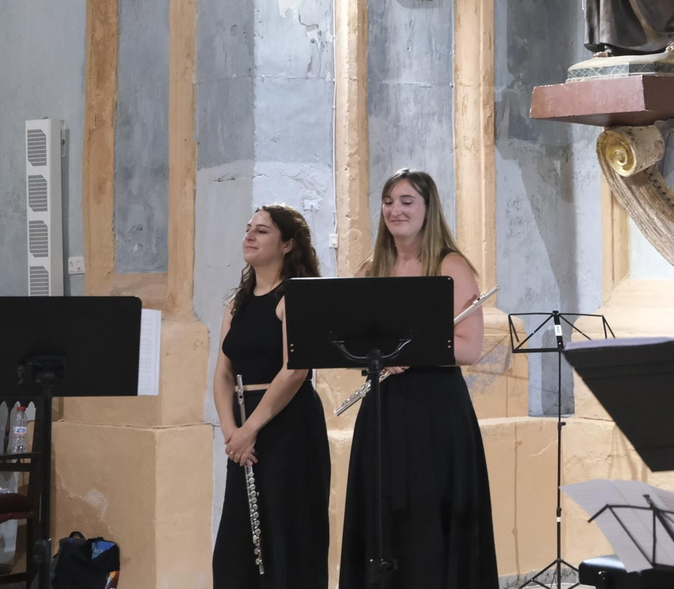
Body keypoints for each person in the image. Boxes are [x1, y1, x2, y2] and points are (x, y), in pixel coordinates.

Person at [338, 170, 499, 589]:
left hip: (435, 412)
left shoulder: (449, 265)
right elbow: (352, 341)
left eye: (407, 201)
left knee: (428, 526)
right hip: (384, 410)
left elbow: (470, 347)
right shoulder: (372, 269)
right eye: (389, 201)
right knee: (383, 517)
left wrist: (411, 351)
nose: (396, 210)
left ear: (428, 208)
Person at [212, 204, 330, 588]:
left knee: (286, 536)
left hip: (288, 429)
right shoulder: (238, 302)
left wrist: (250, 430)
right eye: (249, 228)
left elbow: (295, 370)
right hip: (244, 433)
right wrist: (232, 432)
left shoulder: (295, 297)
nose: (249, 235)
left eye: (262, 231)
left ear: (287, 244)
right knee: (237, 544)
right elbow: (223, 373)